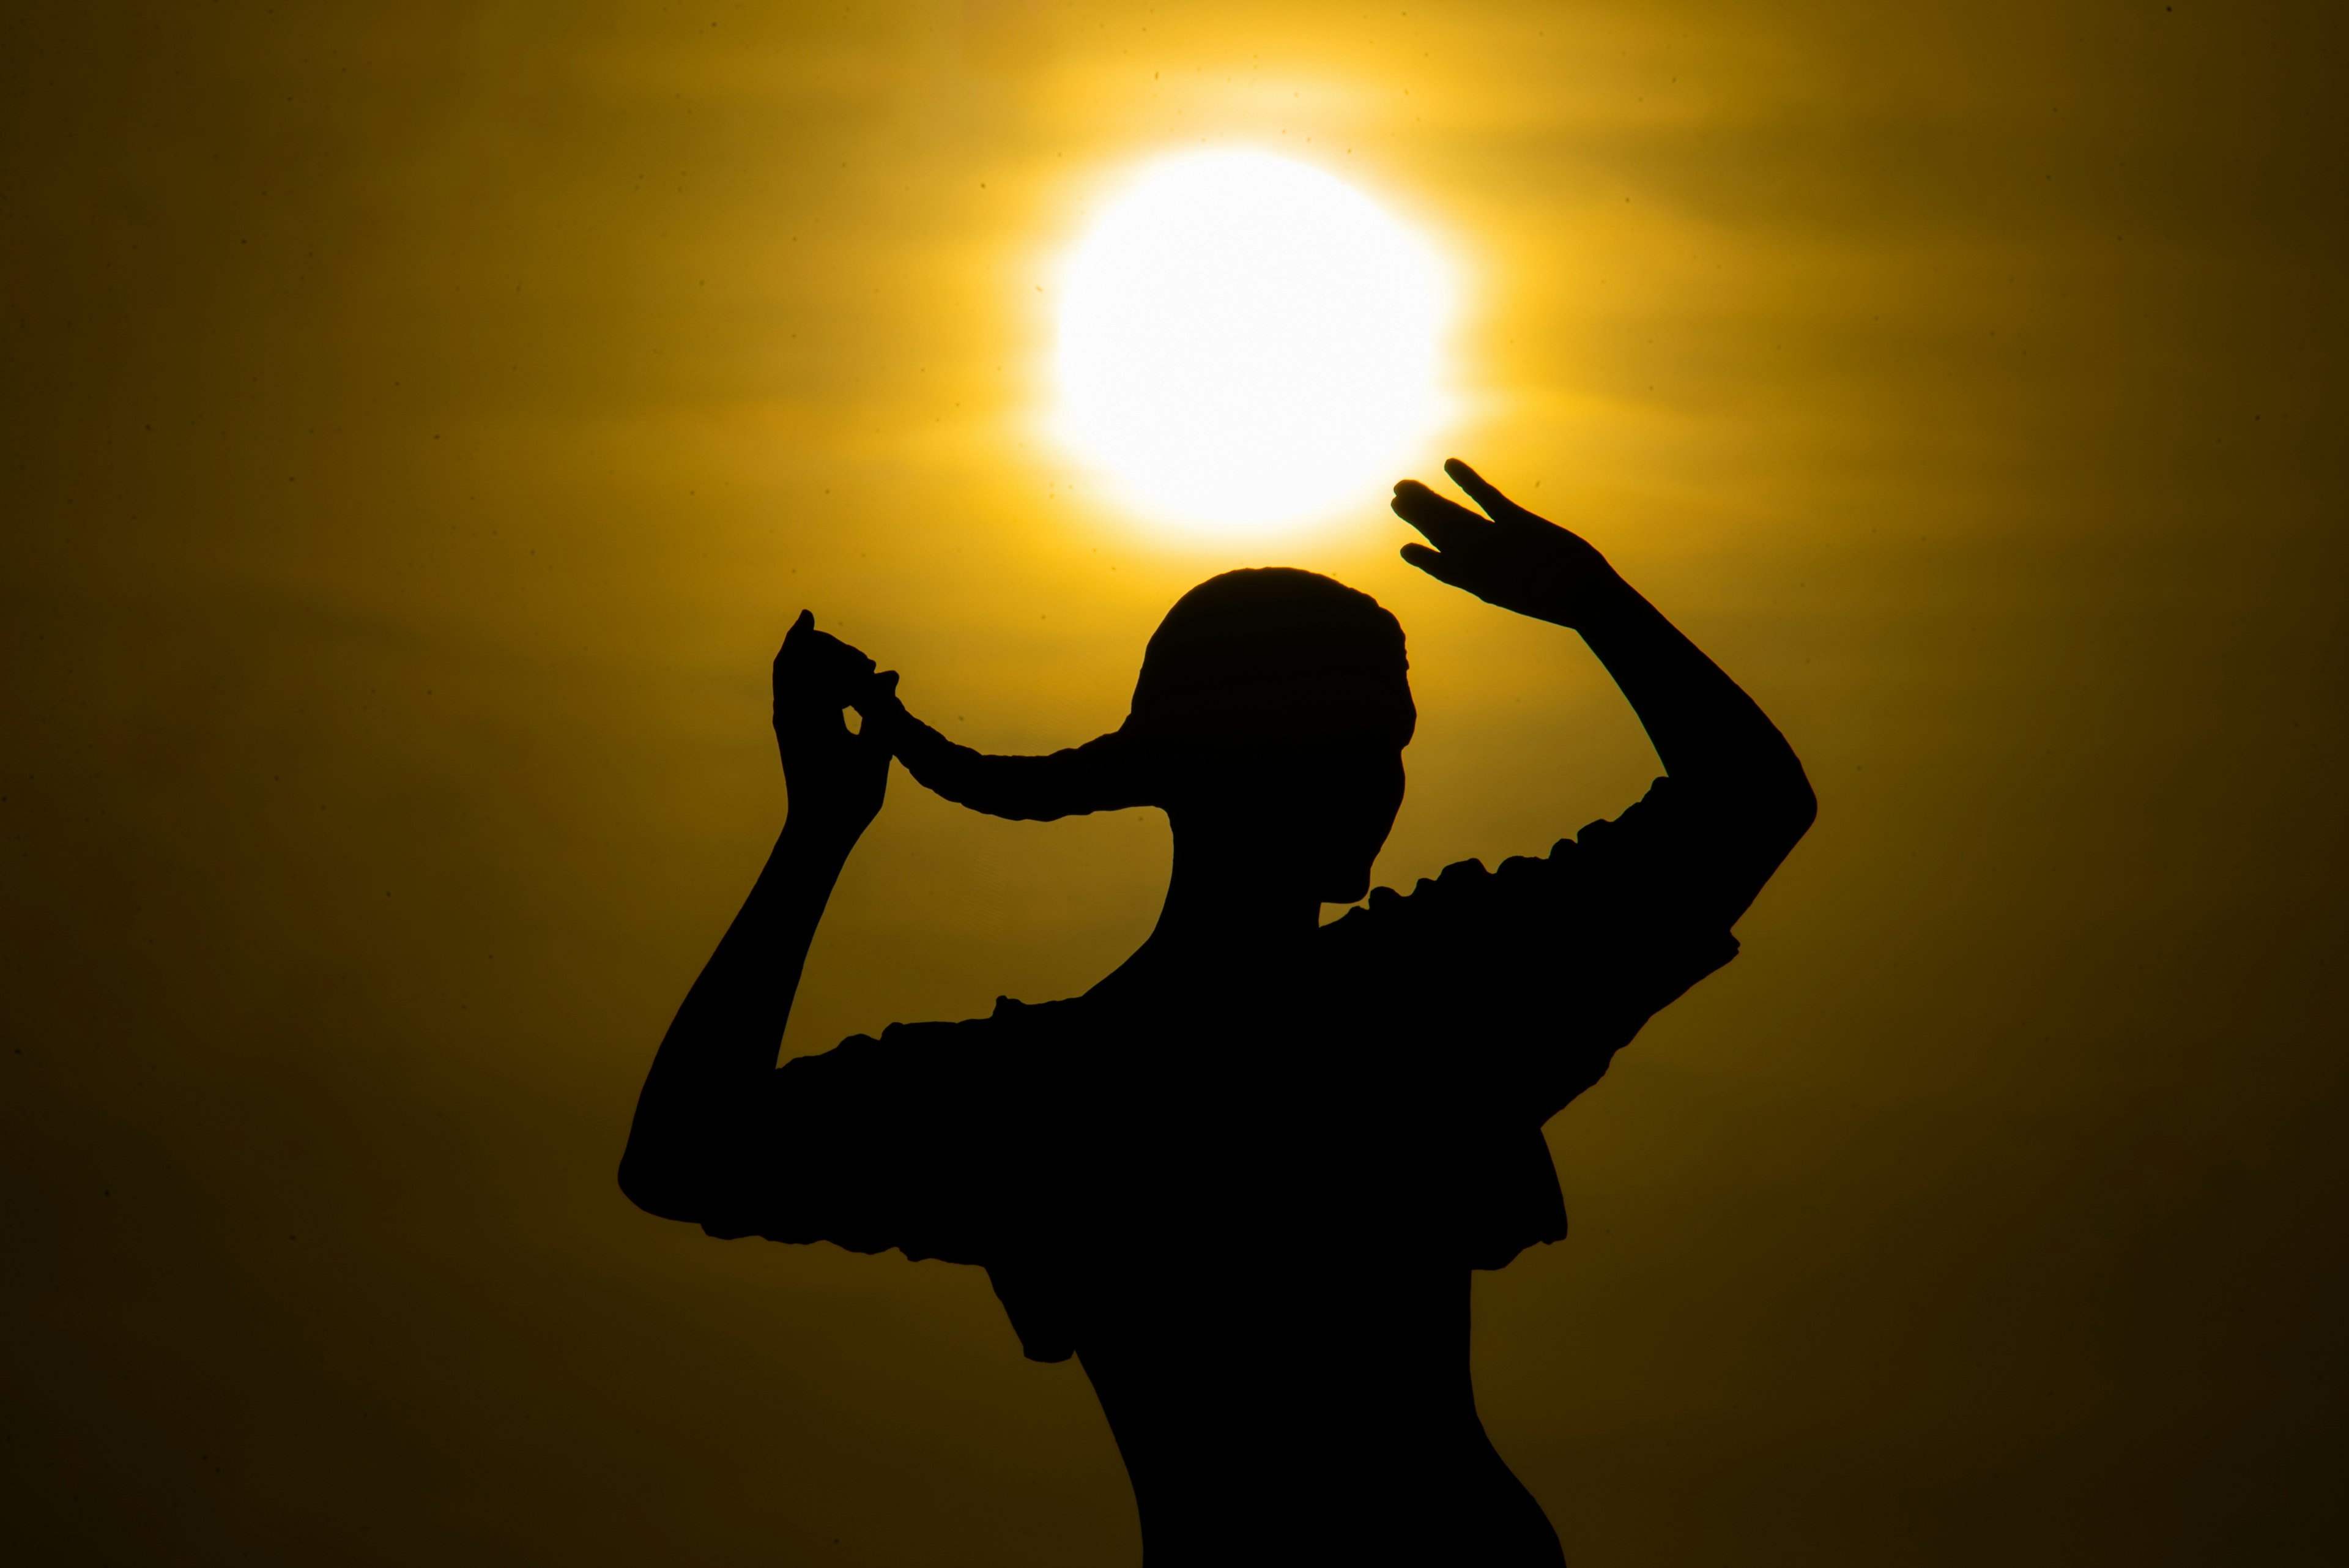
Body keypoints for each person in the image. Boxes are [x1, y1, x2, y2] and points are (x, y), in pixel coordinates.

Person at [619, 460, 1816, 1564]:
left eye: (1391, 743)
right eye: (1360, 742)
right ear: (1258, 765)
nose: (1385, 778)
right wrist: (1596, 605)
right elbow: (1749, 802)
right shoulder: (1423, 1003)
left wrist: (816, 840)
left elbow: (687, 1150)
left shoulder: (1046, 1099)